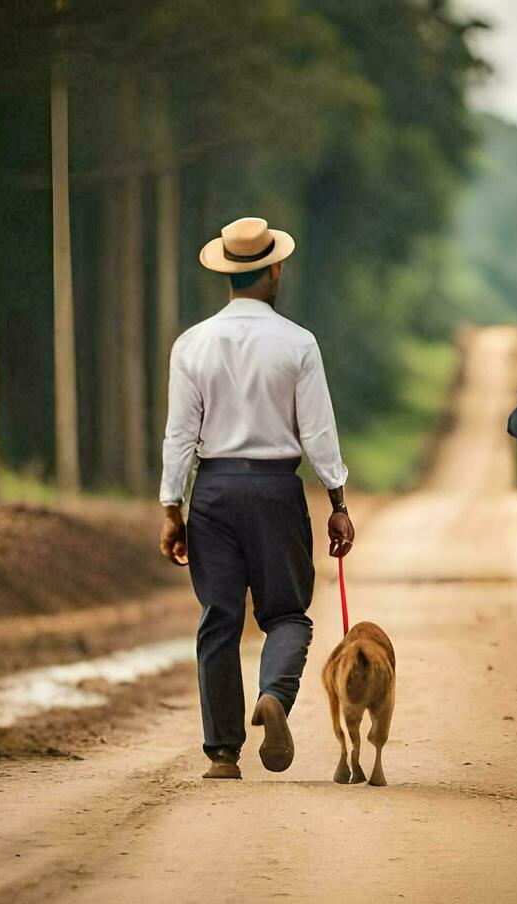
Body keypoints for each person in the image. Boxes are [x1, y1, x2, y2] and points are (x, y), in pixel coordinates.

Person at [158, 216, 355, 780]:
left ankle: (222, 753)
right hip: (274, 490)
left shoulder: (191, 344)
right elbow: (317, 432)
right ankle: (273, 694)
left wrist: (172, 508)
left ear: (227, 274)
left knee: (219, 619)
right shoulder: (297, 343)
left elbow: (180, 434)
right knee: (287, 613)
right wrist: (337, 500)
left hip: (214, 493)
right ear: (273, 271)